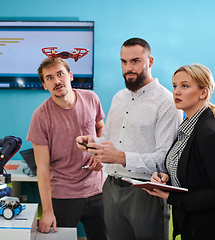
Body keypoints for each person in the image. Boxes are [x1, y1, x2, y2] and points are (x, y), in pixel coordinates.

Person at [76, 37, 183, 240]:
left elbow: (165, 159)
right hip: (110, 189)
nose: (128, 68)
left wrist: (121, 157)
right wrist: (92, 143)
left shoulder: (167, 102)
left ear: (150, 62)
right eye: (124, 62)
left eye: (135, 61)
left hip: (146, 192)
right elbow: (108, 138)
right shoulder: (118, 97)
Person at [145, 63, 215, 240]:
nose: (176, 91)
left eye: (184, 86)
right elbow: (190, 170)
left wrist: (171, 196)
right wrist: (167, 178)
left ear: (203, 92)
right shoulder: (187, 128)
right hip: (194, 226)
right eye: (175, 86)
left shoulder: (211, 134)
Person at [26, 57, 108, 240]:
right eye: (49, 78)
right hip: (62, 195)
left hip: (97, 190)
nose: (56, 81)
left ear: (70, 76)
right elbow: (42, 168)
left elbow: (101, 128)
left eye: (60, 74)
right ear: (44, 85)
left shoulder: (91, 98)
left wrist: (99, 151)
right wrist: (47, 211)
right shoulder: (40, 116)